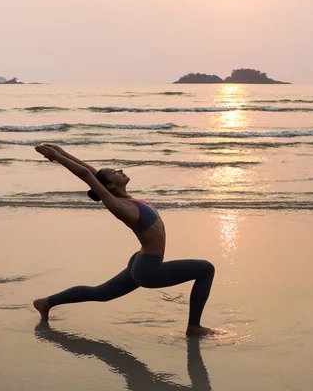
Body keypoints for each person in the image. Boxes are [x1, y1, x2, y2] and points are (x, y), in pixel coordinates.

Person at [33, 144, 215, 336]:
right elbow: (86, 175)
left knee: (101, 293)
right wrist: (57, 157)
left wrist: (61, 152)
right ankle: (194, 327)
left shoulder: (124, 198)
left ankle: (45, 302)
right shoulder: (117, 205)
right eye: (114, 172)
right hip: (148, 269)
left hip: (140, 261)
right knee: (206, 269)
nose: (120, 170)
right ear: (111, 185)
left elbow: (92, 174)